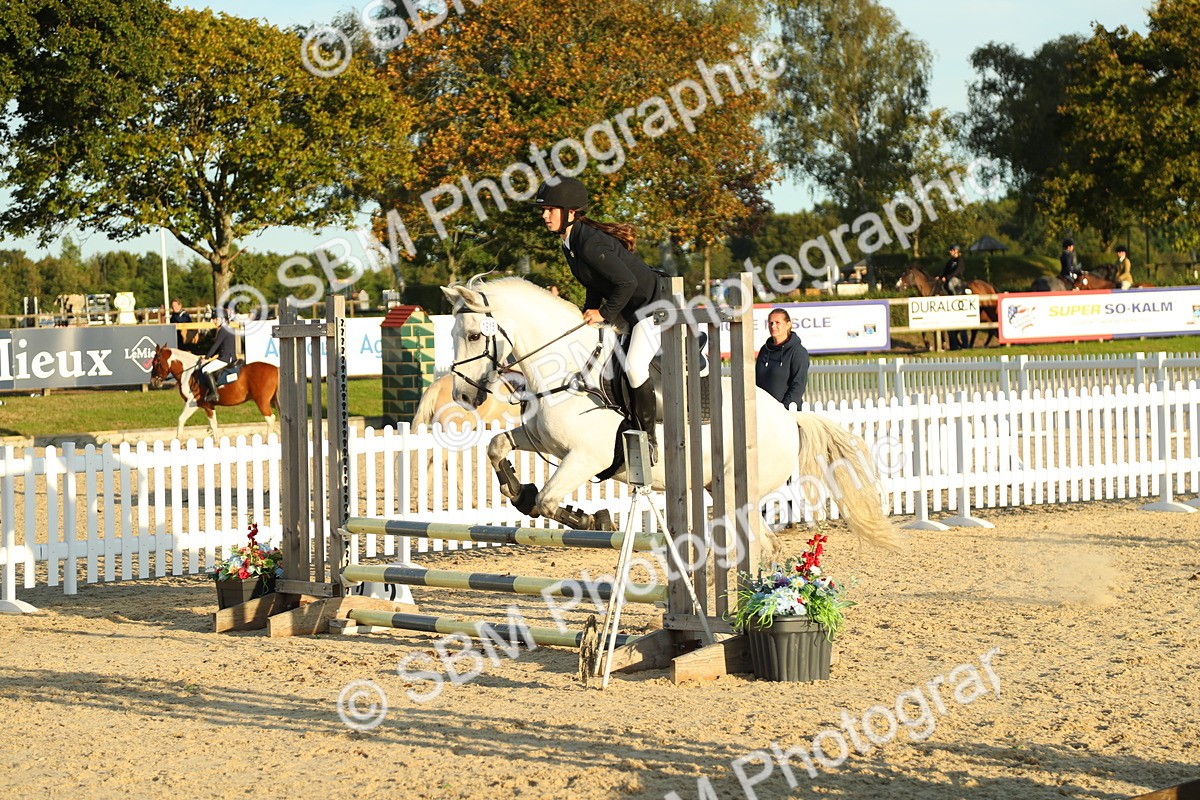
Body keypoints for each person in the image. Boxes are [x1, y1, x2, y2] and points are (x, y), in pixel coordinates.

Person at [533, 177, 664, 463]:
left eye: (551, 209)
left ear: (570, 212)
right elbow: (595, 282)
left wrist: (603, 314)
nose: (544, 214)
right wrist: (588, 311)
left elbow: (626, 283)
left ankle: (648, 438)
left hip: (653, 307)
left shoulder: (589, 243)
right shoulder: (570, 242)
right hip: (628, 308)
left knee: (634, 366)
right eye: (544, 209)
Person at [755, 309, 810, 410]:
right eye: (770, 323)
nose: (773, 326)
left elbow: (798, 386)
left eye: (777, 323)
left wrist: (782, 410)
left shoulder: (797, 351)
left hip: (787, 413)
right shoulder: (764, 350)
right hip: (764, 412)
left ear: (788, 324)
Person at [199, 310, 236, 403]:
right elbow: (220, 347)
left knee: (205, 370)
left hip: (225, 359)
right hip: (230, 356)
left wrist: (206, 358)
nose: (214, 321)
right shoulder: (228, 328)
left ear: (222, 319)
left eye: (215, 319)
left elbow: (215, 346)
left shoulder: (223, 330)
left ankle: (214, 394)